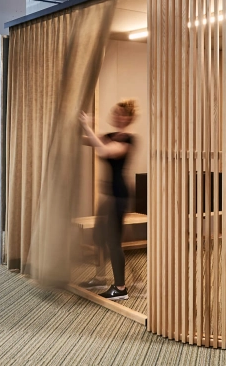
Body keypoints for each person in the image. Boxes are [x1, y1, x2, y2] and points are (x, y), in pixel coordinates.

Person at [78, 99, 137, 301]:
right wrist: (74, 129)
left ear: (128, 118)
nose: (117, 116)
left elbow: (104, 150)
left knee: (113, 241)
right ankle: (100, 278)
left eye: (122, 114)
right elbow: (88, 140)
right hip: (108, 196)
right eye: (116, 112)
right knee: (98, 237)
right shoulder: (110, 136)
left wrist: (88, 126)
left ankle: (120, 288)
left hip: (119, 196)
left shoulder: (129, 140)